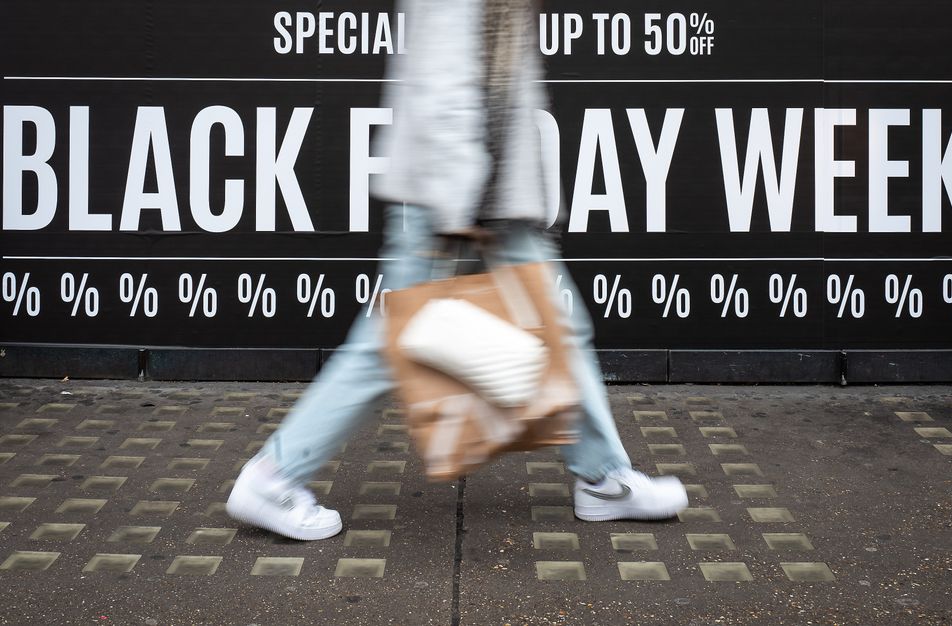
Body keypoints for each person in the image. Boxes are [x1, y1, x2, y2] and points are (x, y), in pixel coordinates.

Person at [226, 0, 688, 541]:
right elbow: (444, 77)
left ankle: (604, 478)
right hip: (455, 198)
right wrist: (458, 202)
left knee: (556, 328)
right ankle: (273, 475)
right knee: (392, 343)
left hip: (489, 196)